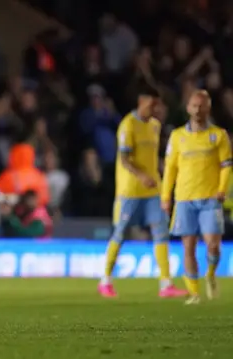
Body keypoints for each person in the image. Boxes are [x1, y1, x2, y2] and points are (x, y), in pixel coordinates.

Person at [98, 87, 187, 298]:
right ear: (142, 102)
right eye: (152, 104)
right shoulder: (128, 125)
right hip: (130, 190)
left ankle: (166, 285)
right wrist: (141, 176)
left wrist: (165, 170)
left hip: (153, 190)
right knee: (120, 233)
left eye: (157, 104)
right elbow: (124, 160)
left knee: (161, 232)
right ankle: (105, 280)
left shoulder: (155, 126)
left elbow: (151, 158)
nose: (155, 108)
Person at [161, 90, 232, 305]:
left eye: (202, 106)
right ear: (188, 108)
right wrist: (166, 196)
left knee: (213, 246)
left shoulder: (218, 135)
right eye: (194, 106)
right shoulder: (177, 136)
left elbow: (226, 165)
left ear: (208, 108)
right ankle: (194, 293)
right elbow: (170, 169)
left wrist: (222, 189)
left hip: (211, 198)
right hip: (184, 199)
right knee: (188, 247)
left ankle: (210, 274)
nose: (197, 110)